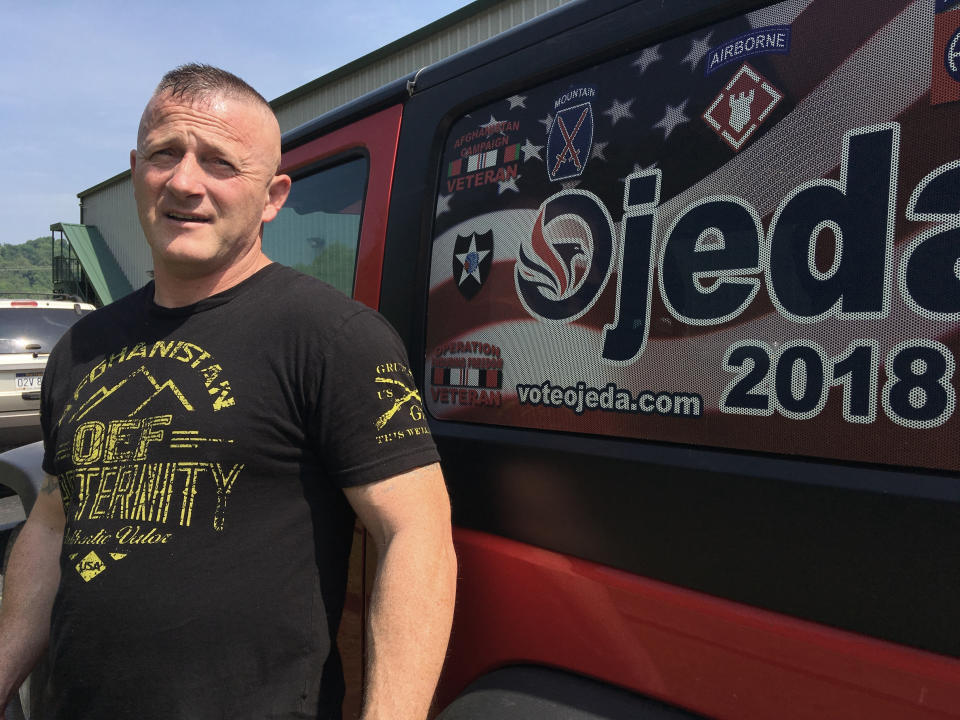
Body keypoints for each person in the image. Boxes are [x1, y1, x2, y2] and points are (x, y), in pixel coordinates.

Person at [0, 64, 457, 720]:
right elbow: (52, 523)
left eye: (219, 162)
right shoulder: (83, 345)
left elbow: (417, 534)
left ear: (272, 197)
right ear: (137, 170)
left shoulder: (333, 338)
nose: (185, 181)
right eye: (165, 154)